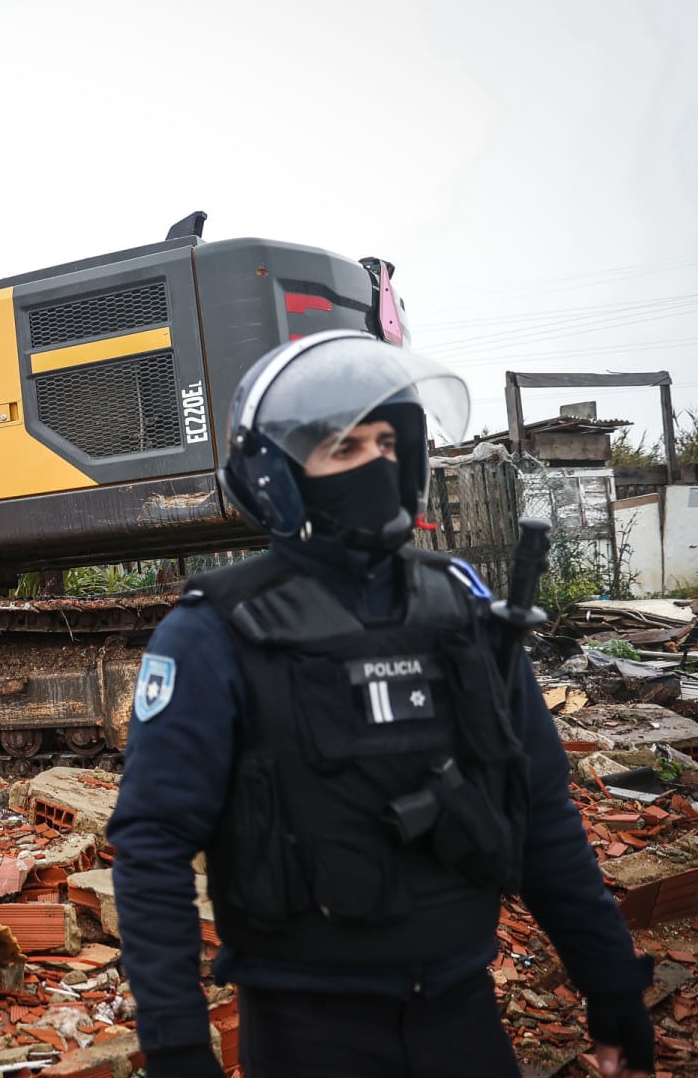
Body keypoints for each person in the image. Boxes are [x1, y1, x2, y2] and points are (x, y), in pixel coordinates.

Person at [108, 330, 656, 1078]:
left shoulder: (461, 610)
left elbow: (542, 813)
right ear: (275, 475)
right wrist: (175, 1046)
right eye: (343, 446)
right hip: (308, 1032)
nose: (375, 462)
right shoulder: (214, 631)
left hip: (462, 1015)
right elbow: (153, 845)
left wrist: (612, 983)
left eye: (387, 442)